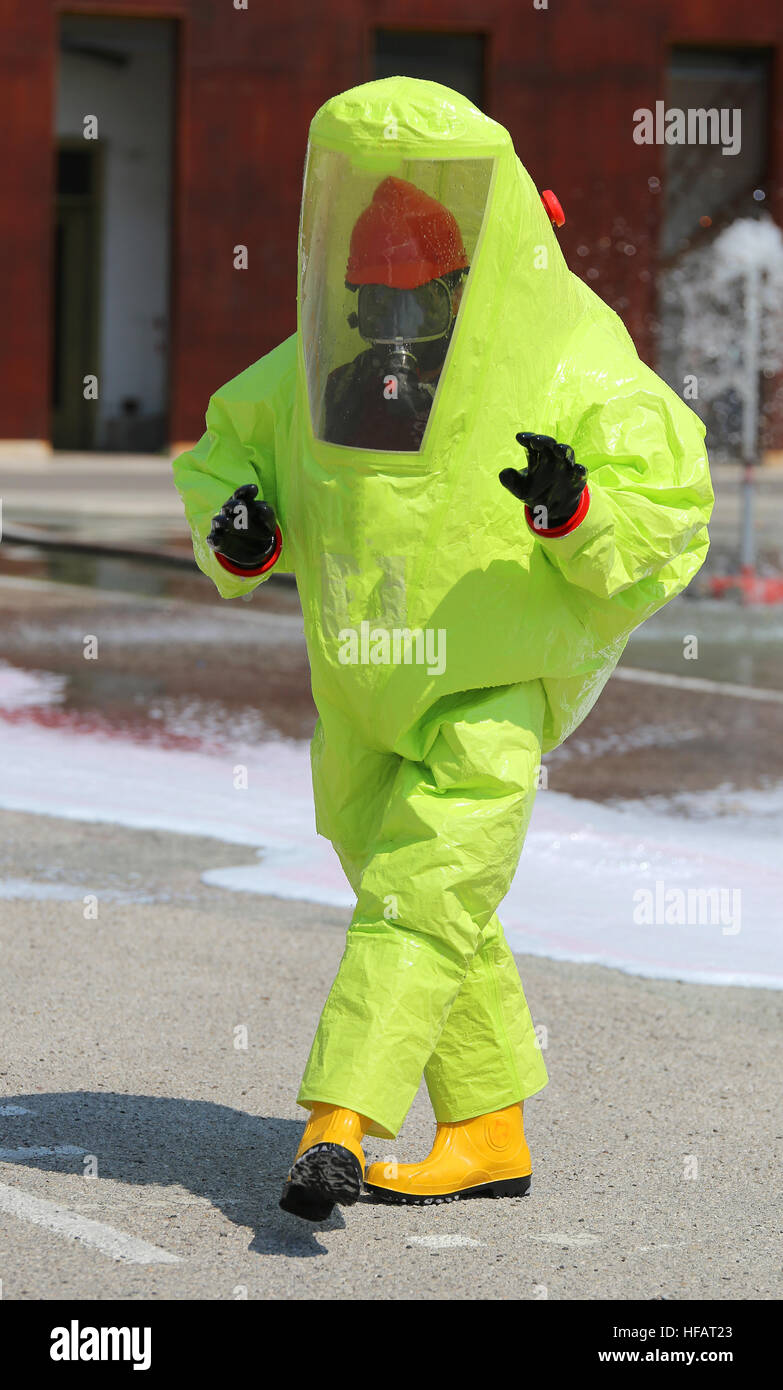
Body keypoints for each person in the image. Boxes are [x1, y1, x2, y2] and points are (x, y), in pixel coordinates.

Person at [172, 76, 713, 1221]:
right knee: (426, 894)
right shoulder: (322, 377)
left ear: (471, 280)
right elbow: (232, 449)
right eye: (374, 302)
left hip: (488, 687)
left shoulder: (566, 366)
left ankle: (338, 1125)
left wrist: (575, 515)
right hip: (365, 689)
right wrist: (241, 526)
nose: (391, 327)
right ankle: (488, 1129)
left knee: (418, 898)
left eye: (412, 301)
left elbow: (667, 513)